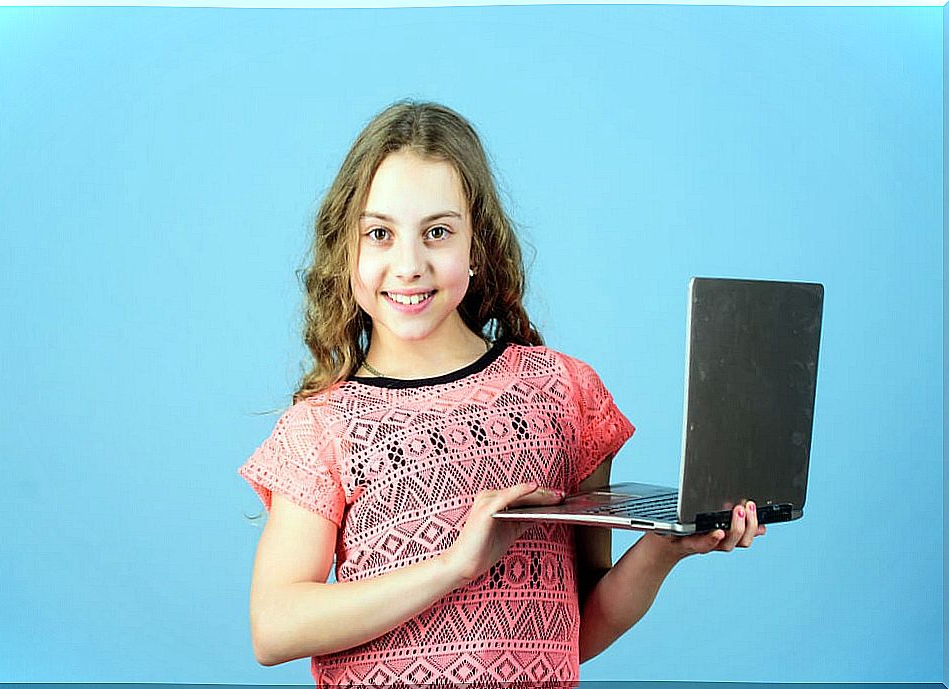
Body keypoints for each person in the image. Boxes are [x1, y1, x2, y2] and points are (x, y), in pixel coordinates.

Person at [237, 100, 765, 687]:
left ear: (477, 240)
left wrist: (666, 548)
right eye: (380, 234)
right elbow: (274, 626)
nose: (408, 264)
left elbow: (577, 629)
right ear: (346, 246)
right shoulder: (324, 426)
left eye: (437, 232)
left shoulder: (564, 393)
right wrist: (455, 566)